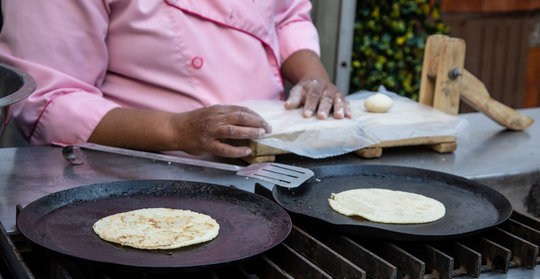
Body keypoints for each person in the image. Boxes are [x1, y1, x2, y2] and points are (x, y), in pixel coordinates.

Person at [0, 1, 351, 158]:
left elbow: (286, 15)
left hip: (267, 165)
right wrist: (177, 130)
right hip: (139, 180)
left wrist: (312, 76)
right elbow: (52, 99)